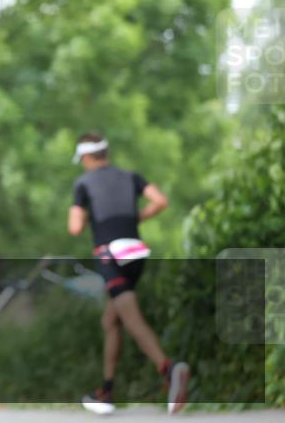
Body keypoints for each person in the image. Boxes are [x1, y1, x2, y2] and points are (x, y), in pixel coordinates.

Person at [68, 133, 189, 415]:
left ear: (86, 158)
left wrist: (92, 216)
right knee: (111, 319)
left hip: (109, 255)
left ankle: (169, 370)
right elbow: (160, 201)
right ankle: (106, 391)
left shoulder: (83, 183)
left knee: (131, 318)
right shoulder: (131, 176)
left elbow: (74, 227)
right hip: (135, 252)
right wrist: (134, 218)